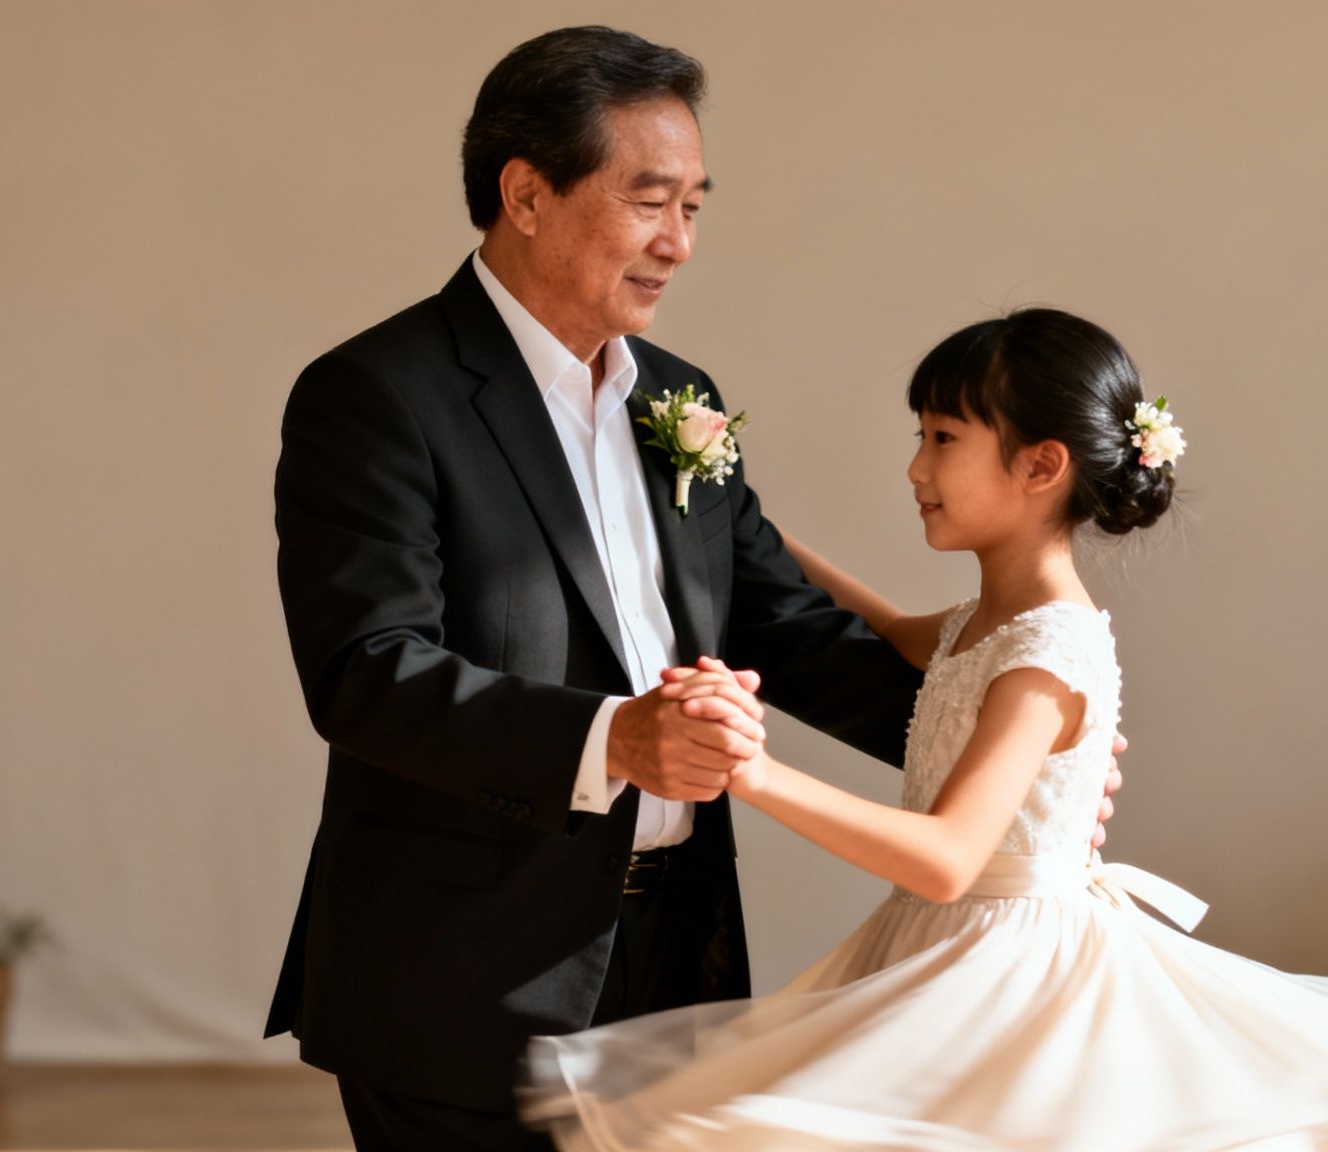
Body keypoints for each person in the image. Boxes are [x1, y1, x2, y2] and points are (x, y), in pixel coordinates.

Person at [265, 27, 1125, 1151]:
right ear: (524, 194)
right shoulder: (376, 396)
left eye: (695, 208)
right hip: (460, 971)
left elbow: (790, 633)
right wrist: (615, 740)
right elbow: (366, 674)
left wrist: (1021, 745)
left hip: (681, 959)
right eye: (649, 201)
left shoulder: (678, 397)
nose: (677, 243)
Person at [523, 309, 1328, 1151]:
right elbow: (881, 624)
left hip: (1008, 971)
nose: (914, 465)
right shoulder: (979, 621)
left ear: (1040, 465)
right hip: (933, 952)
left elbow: (949, 858)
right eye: (917, 434)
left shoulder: (1051, 651)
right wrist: (732, 523)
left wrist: (750, 770)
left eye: (941, 439)